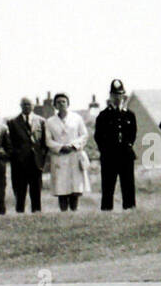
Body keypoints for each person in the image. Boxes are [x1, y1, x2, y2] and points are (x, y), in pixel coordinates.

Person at [94, 79, 137, 211]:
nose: (117, 98)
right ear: (110, 96)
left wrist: (127, 146)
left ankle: (129, 210)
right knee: (108, 187)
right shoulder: (103, 115)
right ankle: (107, 211)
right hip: (109, 157)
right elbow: (98, 137)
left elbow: (133, 134)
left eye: (120, 95)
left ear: (123, 96)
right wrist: (106, 151)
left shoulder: (129, 115)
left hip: (126, 156)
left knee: (128, 186)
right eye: (114, 95)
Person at [44, 93, 88, 211]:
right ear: (55, 105)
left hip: (74, 154)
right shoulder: (50, 122)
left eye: (64, 101)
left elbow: (84, 135)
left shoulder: (77, 118)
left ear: (68, 103)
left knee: (75, 186)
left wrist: (73, 145)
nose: (61, 104)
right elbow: (48, 140)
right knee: (61, 186)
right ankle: (63, 211)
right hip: (60, 156)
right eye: (58, 102)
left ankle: (74, 210)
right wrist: (60, 147)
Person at [7, 97, 46, 213]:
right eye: (24, 105)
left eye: (29, 104)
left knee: (36, 191)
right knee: (20, 191)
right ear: (20, 106)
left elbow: (44, 142)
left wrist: (42, 157)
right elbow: (9, 144)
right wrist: (15, 156)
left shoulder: (41, 121)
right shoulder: (12, 122)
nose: (26, 107)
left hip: (36, 162)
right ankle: (20, 213)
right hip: (19, 163)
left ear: (33, 106)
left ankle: (37, 212)